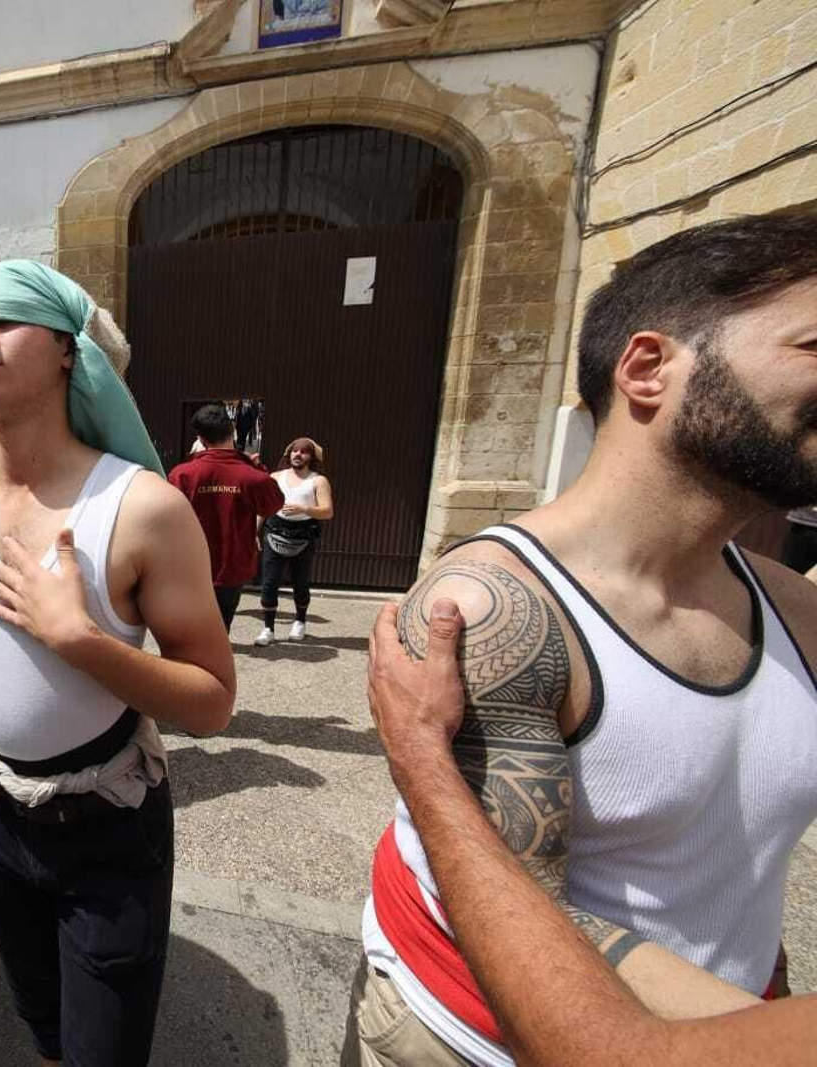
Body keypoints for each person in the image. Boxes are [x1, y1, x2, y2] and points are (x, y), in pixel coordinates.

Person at [347, 214, 817, 1067]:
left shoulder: (800, 610)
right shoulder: (493, 612)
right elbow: (523, 909)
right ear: (648, 369)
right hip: (479, 1043)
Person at [0, 261, 236, 1066]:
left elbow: (212, 700)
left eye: (6, 318)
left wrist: (81, 640)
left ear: (71, 351)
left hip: (110, 826)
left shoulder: (142, 508)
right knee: (42, 1029)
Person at [367, 600, 817, 1066]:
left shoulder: (790, 606)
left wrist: (417, 752)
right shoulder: (786, 605)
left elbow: (591, 1048)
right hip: (456, 1008)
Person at [167, 403, 285, 633]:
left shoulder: (181, 474)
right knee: (221, 628)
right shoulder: (253, 476)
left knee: (191, 629)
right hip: (233, 566)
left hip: (190, 565)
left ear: (200, 437)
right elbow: (274, 504)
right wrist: (256, 467)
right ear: (232, 428)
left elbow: (167, 520)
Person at [253, 437, 333, 645]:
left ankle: (300, 622)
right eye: (294, 451)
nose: (298, 454)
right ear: (288, 454)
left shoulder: (318, 480)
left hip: (304, 535)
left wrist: (304, 509)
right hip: (274, 531)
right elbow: (262, 508)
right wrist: (254, 531)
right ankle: (268, 628)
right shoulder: (275, 477)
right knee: (269, 583)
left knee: (301, 583)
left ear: (312, 457)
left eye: (304, 451)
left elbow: (327, 511)